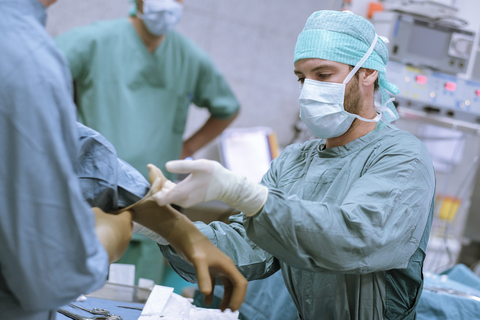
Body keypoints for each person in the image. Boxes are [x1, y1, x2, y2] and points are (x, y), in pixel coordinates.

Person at [153, 10, 436, 320]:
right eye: (302, 78)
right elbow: (249, 248)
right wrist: (165, 227)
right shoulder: (294, 161)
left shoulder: (402, 156)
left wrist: (250, 198)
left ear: (367, 73)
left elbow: (357, 239)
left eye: (323, 75)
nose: (309, 89)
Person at [0, 1, 246, 319]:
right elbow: (47, 274)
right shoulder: (29, 55)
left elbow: (68, 140)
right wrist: (106, 238)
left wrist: (179, 229)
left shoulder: (19, 43)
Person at [55, 0, 240, 285]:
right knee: (73, 290)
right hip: (92, 201)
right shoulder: (94, 41)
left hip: (156, 202)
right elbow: (37, 81)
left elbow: (227, 107)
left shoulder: (188, 57)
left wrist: (187, 148)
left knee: (135, 302)